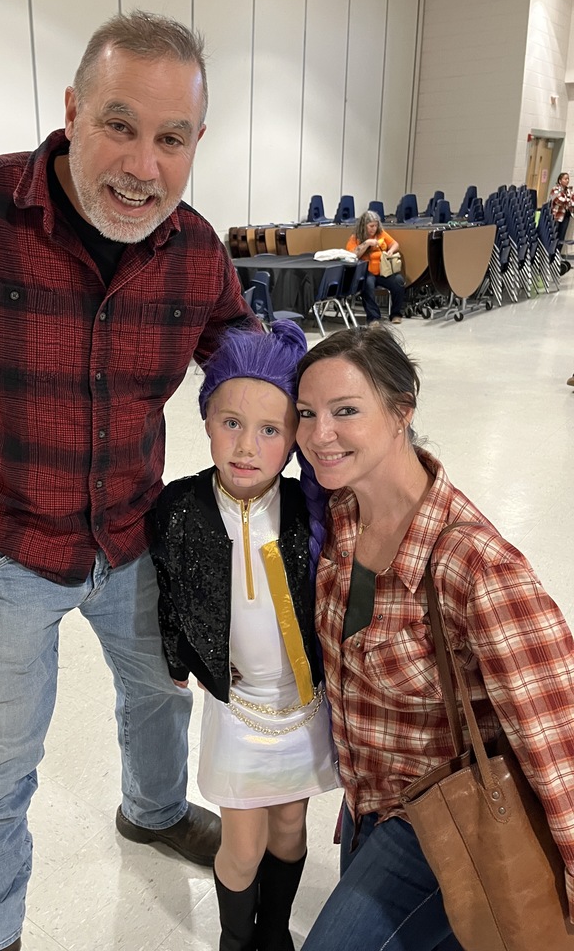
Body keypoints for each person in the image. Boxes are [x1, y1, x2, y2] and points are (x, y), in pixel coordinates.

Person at [0, 10, 259, 951]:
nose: (143, 166)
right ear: (72, 110)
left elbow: (243, 360)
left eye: (172, 139)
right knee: (0, 761)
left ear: (198, 142)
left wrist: (335, 420)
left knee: (161, 694)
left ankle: (154, 812)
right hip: (0, 544)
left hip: (131, 533)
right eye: (120, 124)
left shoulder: (195, 251)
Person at [294, 326, 574, 951]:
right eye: (307, 413)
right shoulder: (341, 518)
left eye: (345, 411)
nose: (318, 434)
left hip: (449, 818)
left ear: (402, 411)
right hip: (367, 805)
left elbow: (558, 735)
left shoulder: (473, 564)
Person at [151, 321, 338, 951]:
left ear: (294, 440)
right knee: (242, 842)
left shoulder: (310, 510)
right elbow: (169, 590)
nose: (246, 446)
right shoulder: (179, 509)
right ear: (206, 419)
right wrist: (179, 656)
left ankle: (274, 933)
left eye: (269, 430)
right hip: (238, 711)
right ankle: (235, 940)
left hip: (303, 707)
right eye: (231, 422)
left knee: (289, 827)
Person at [345, 209, 405, 325]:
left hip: (383, 270)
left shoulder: (381, 234)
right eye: (371, 226)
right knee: (367, 285)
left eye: (376, 226)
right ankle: (373, 318)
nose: (374, 228)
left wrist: (391, 251)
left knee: (399, 281)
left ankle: (396, 314)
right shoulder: (355, 238)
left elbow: (395, 244)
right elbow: (352, 255)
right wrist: (367, 243)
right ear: (364, 225)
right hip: (366, 272)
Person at [549, 171, 573, 245]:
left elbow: (572, 201)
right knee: (554, 236)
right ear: (560, 180)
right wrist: (568, 201)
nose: (567, 180)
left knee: (561, 237)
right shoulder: (555, 189)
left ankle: (558, 251)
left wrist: (568, 201)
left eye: (568, 179)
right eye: (565, 179)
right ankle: (551, 252)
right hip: (557, 216)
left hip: (566, 216)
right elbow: (558, 200)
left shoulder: (569, 190)